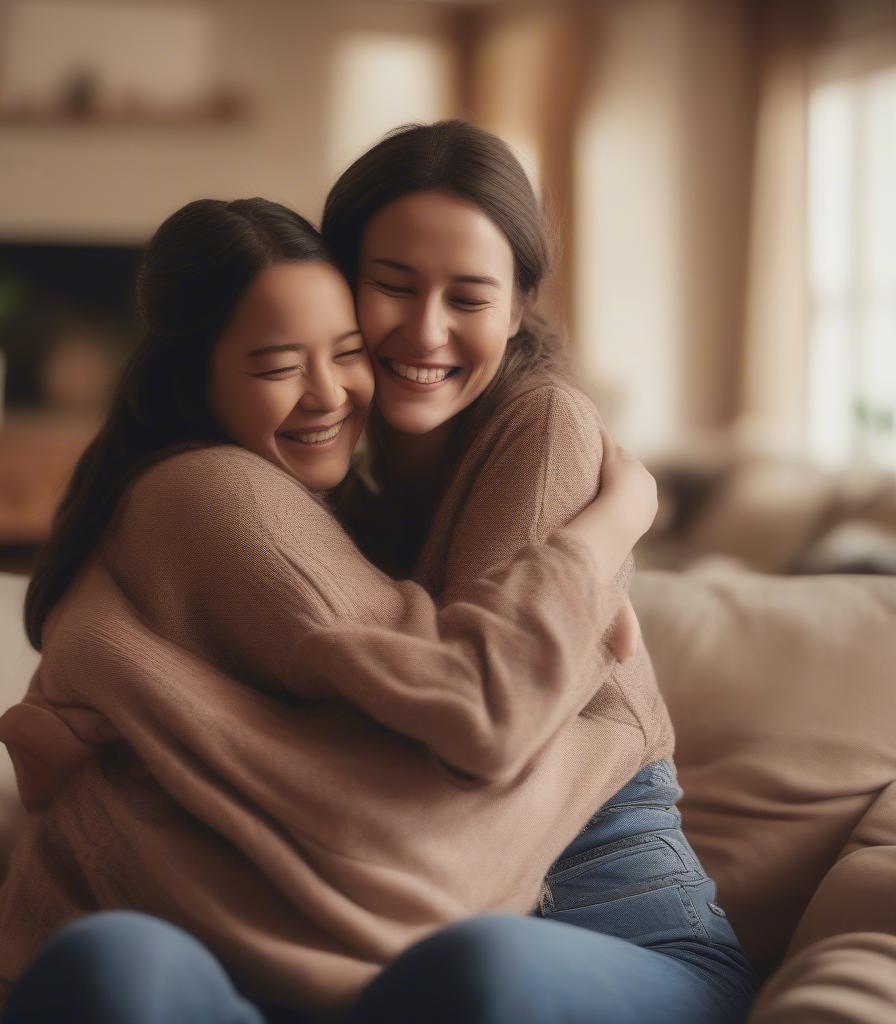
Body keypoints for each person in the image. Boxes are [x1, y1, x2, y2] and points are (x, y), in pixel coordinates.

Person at [0, 196, 655, 1024]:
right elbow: (484, 701)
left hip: (579, 925)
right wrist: (609, 535)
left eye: (347, 353)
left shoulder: (336, 509)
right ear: (192, 375)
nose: (328, 394)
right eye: (278, 367)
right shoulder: (221, 494)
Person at [314, 119, 757, 1022]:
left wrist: (611, 522)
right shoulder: (323, 467)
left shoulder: (543, 422)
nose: (426, 330)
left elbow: (484, 715)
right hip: (406, 912)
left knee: (467, 969)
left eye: (469, 299)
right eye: (391, 286)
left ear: (517, 310)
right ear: (334, 286)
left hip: (613, 924)